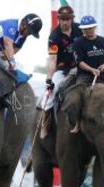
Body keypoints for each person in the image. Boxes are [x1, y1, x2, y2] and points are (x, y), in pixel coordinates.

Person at [68, 15, 104, 133]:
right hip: (85, 76)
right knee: (74, 98)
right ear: (82, 30)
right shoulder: (78, 43)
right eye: (85, 29)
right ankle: (77, 122)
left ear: (95, 27)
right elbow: (79, 62)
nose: (88, 31)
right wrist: (91, 69)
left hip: (103, 74)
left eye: (90, 28)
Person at [40, 6, 82, 139]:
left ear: (72, 19)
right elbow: (52, 61)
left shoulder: (80, 29)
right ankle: (45, 125)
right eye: (62, 19)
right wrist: (49, 80)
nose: (65, 22)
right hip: (63, 70)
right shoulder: (54, 36)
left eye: (68, 19)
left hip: (82, 68)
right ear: (59, 19)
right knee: (50, 95)